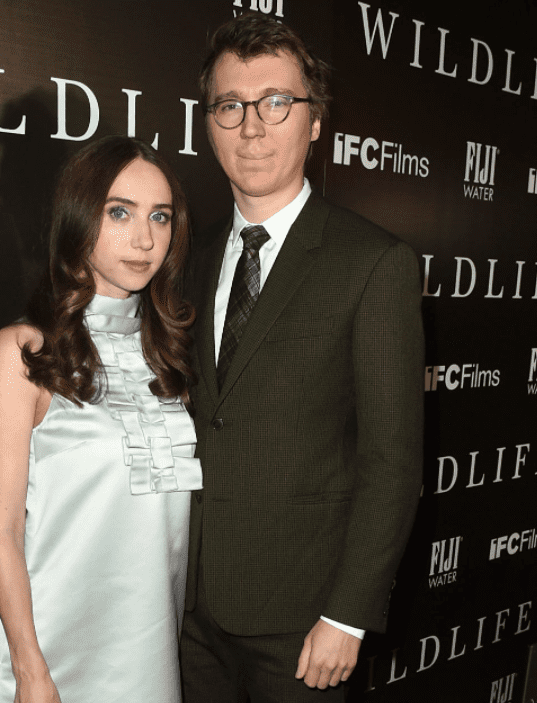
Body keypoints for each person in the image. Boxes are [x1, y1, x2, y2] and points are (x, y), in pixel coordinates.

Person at [180, 13, 424, 703]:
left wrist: (346, 613)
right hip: (186, 608)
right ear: (209, 122)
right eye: (231, 106)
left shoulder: (373, 263)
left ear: (314, 121)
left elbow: (392, 458)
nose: (251, 127)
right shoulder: (185, 261)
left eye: (276, 103)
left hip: (302, 621)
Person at [0, 135, 202, 703]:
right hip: (49, 650)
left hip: (148, 651)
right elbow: (3, 530)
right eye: (119, 212)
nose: (145, 239)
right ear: (78, 220)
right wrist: (29, 670)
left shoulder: (170, 358)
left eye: (160, 217)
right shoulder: (23, 352)